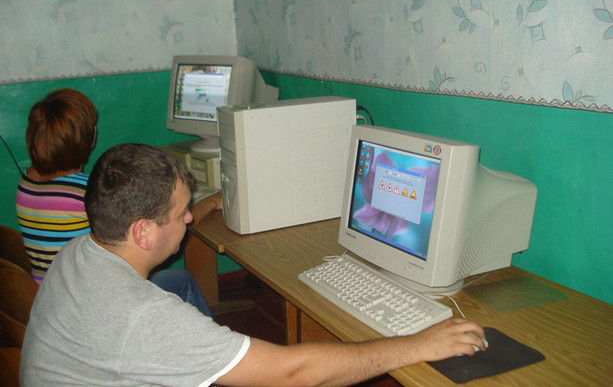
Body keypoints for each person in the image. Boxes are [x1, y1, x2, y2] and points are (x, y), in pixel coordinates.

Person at [21, 143, 487, 386]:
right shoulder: (143, 316)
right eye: (181, 213)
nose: (190, 218)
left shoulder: (80, 250)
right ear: (143, 232)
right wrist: (416, 345)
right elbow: (293, 373)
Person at [15, 88, 214, 315]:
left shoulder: (26, 182)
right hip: (90, 299)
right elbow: (164, 223)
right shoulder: (86, 191)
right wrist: (211, 202)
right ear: (89, 138)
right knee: (182, 281)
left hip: (49, 294)